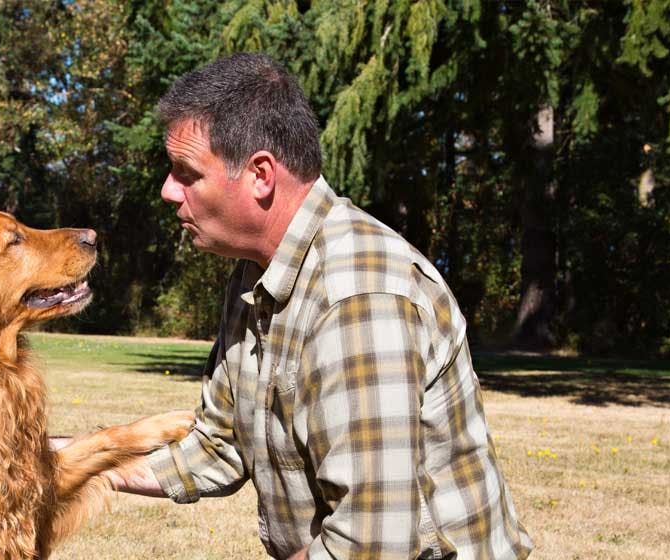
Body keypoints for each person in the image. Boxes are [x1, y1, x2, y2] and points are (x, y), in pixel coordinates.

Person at [108, 53, 533, 560]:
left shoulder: (358, 297)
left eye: (186, 172)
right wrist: (66, 462)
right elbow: (216, 447)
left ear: (260, 174)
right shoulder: (254, 275)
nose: (167, 190)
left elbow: (372, 543)